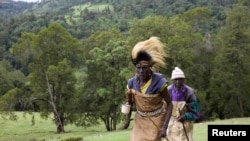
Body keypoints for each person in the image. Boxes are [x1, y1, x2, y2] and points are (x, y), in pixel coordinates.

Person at [124, 36, 173, 141]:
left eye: (144, 68)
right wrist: (127, 119)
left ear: (149, 67)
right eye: (138, 68)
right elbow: (129, 102)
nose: (141, 71)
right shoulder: (131, 83)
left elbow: (169, 104)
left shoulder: (159, 82)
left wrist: (164, 127)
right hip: (140, 121)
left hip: (156, 120)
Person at [166, 67, 200, 141]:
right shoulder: (168, 91)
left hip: (185, 124)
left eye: (180, 79)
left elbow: (196, 113)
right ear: (172, 80)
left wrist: (185, 116)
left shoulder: (190, 92)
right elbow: (163, 108)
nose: (178, 81)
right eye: (175, 79)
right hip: (170, 124)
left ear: (183, 79)